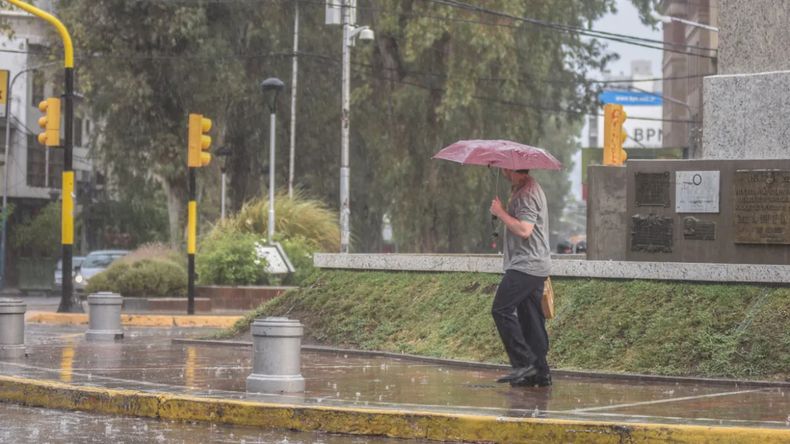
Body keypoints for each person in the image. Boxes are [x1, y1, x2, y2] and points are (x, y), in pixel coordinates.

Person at [489, 169, 552, 387]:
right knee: (531, 320)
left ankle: (523, 363)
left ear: (510, 168)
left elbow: (525, 230)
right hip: (535, 264)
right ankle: (540, 373)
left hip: (526, 265)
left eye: (503, 167)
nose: (501, 170)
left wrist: (500, 212)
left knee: (500, 309)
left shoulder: (526, 192)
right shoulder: (526, 188)